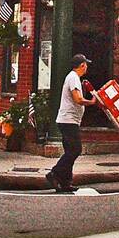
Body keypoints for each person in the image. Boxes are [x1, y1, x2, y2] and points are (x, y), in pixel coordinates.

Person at [47, 54, 96, 194]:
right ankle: (54, 173)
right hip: (68, 120)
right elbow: (78, 99)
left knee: (70, 151)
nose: (86, 67)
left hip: (69, 120)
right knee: (75, 150)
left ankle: (65, 182)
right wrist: (92, 102)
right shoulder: (73, 77)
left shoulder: (73, 77)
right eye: (86, 64)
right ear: (82, 65)